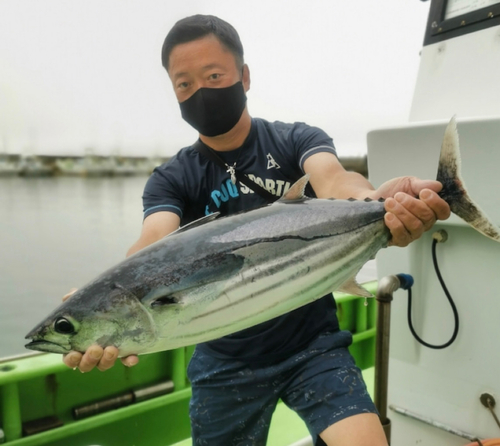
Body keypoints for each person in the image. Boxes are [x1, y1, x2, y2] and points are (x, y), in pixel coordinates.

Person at [62, 14, 450, 446]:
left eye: (213, 76)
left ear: (243, 77)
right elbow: (153, 241)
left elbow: (337, 183)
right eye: (184, 85)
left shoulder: (294, 139)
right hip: (223, 359)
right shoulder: (172, 177)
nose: (200, 92)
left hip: (313, 346)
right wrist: (100, 301)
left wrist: (381, 203)